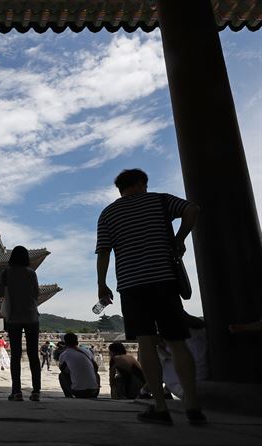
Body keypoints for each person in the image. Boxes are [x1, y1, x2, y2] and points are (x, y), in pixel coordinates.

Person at [96, 168, 206, 425]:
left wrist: (102, 285)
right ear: (142, 183)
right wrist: (180, 238)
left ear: (120, 189)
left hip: (132, 283)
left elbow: (103, 252)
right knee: (177, 341)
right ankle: (192, 406)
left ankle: (160, 406)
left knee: (146, 343)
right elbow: (193, 209)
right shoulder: (160, 200)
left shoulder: (108, 213)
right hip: (164, 279)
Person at [0, 245, 41, 401]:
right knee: (33, 355)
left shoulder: (6, 273)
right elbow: (36, 294)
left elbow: (0, 293)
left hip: (14, 317)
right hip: (31, 316)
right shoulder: (31, 273)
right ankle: (36, 391)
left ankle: (16, 391)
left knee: (15, 355)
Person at [58, 333, 100, 399]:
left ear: (65, 343)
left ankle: (68, 395)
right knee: (96, 374)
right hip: (94, 391)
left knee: (61, 375)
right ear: (77, 341)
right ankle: (94, 390)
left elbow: (63, 370)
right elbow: (96, 367)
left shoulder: (64, 354)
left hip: (79, 392)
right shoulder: (87, 351)